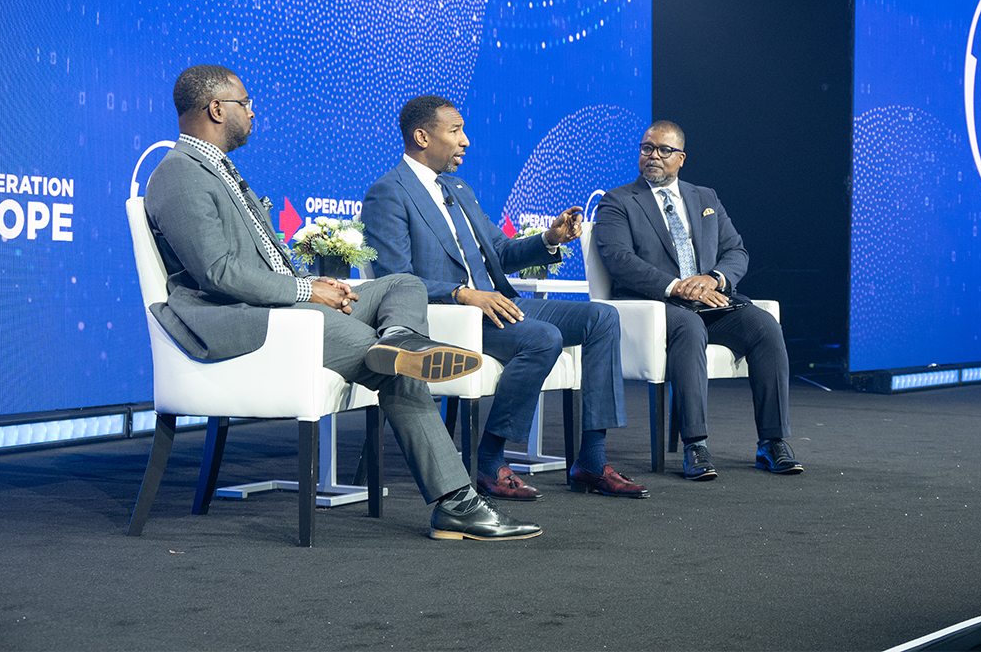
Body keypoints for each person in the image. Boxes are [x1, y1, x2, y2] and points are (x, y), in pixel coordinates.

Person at [145, 64, 541, 541]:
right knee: (396, 366)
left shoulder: (220, 170)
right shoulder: (180, 173)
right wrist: (306, 292)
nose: (252, 112)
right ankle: (456, 503)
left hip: (283, 306)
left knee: (402, 285)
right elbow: (218, 273)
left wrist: (312, 283)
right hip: (243, 319)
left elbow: (257, 264)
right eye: (245, 103)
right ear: (215, 108)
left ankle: (401, 337)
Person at [360, 95, 648, 500]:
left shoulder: (458, 188)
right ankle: (490, 460)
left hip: (496, 305)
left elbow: (500, 252)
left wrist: (548, 239)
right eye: (455, 131)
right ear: (422, 137)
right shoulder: (388, 192)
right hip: (448, 317)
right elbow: (396, 279)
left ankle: (592, 460)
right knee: (542, 337)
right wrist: (464, 294)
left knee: (601, 318)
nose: (466, 141)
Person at [593, 120, 802, 481]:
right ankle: (696, 445)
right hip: (654, 305)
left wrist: (713, 279)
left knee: (765, 326)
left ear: (681, 158)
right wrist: (676, 286)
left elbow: (736, 251)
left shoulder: (706, 198)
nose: (653, 156)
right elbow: (619, 260)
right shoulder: (618, 201)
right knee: (689, 327)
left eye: (664, 150)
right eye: (647, 148)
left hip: (708, 299)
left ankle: (772, 442)